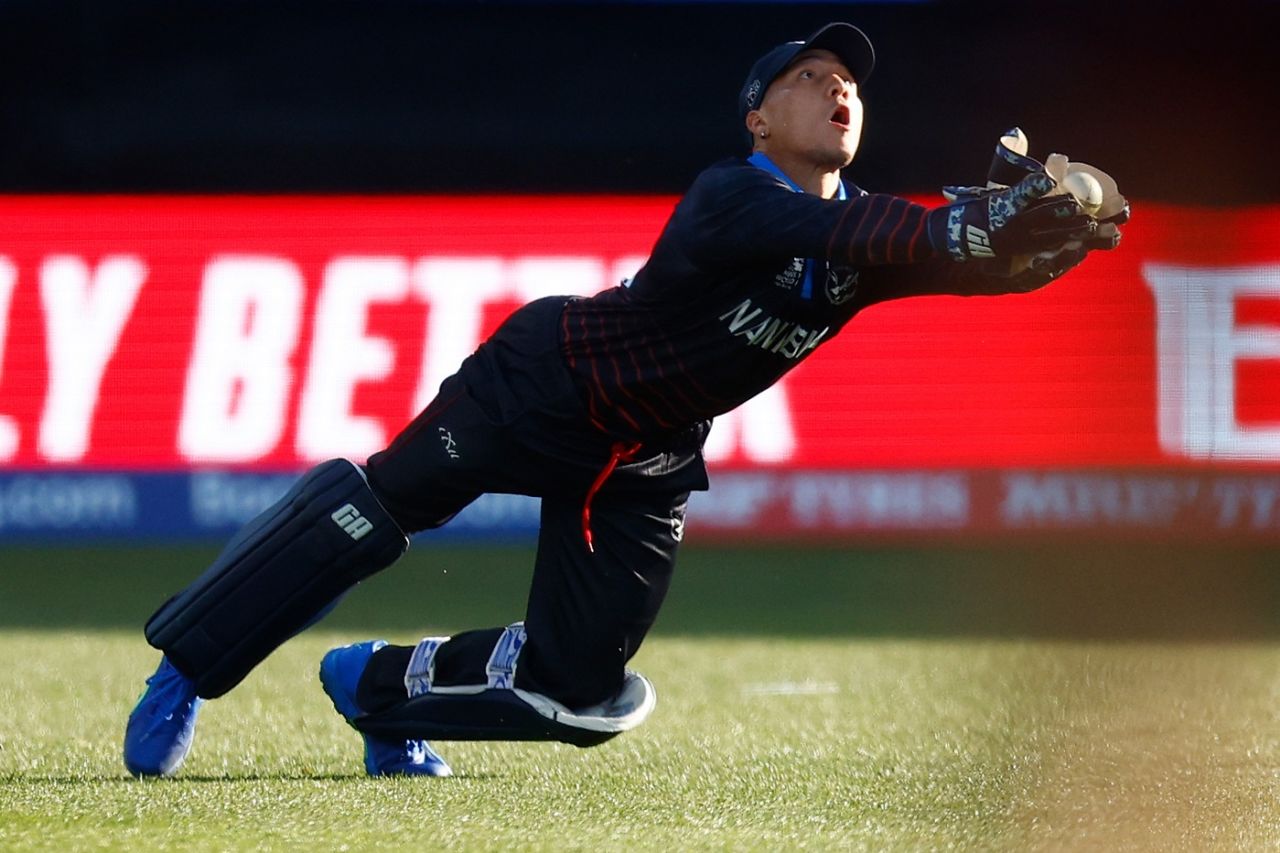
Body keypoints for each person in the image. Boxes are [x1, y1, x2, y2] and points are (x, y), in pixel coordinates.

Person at [123, 22, 1125, 778]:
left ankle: (380, 691)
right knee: (373, 509)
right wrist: (971, 229)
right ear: (756, 116)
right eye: (808, 77)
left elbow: (947, 259)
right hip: (540, 387)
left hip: (641, 459)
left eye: (848, 83)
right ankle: (189, 664)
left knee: (582, 694)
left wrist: (1049, 242)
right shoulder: (728, 195)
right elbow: (887, 241)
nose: (835, 90)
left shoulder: (862, 228)